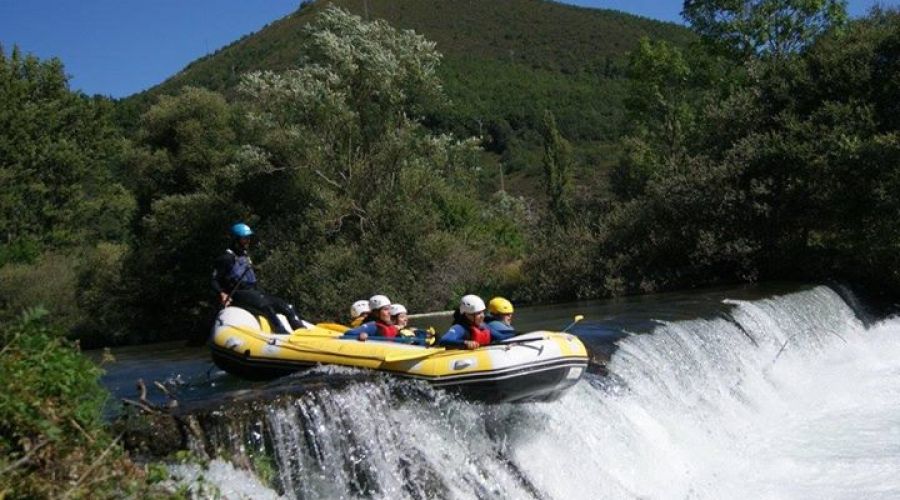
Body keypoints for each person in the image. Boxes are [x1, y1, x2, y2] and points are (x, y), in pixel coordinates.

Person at [211, 222, 303, 334]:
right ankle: (282, 333)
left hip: (254, 291)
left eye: (248, 238)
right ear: (235, 240)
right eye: (244, 238)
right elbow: (214, 280)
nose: (248, 241)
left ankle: (302, 331)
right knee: (266, 307)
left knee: (288, 306)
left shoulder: (244, 255)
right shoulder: (226, 258)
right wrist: (222, 293)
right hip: (238, 294)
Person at [439, 294, 514, 350]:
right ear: (467, 315)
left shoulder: (484, 326)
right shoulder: (460, 328)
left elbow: (501, 337)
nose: (482, 316)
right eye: (478, 313)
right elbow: (444, 340)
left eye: (482, 312)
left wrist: (519, 334)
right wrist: (465, 343)